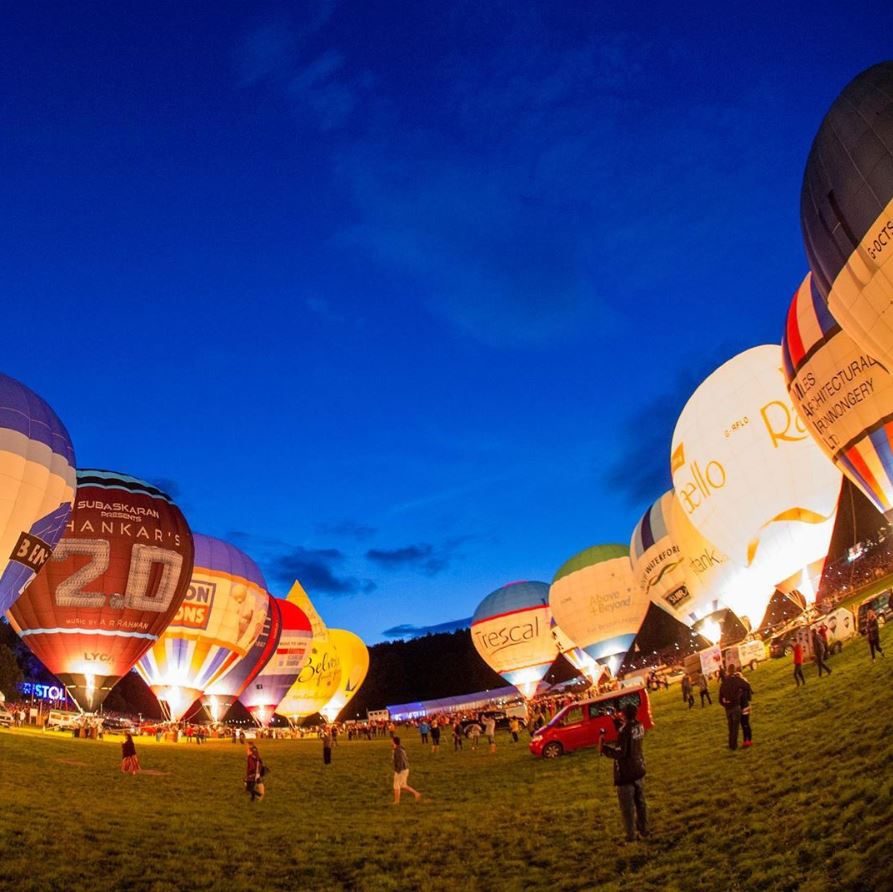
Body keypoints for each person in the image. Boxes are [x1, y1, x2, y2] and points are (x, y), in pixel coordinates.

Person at [599, 703, 647, 843]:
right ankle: (644, 830)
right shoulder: (639, 725)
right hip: (639, 768)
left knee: (627, 809)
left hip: (626, 774)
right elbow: (626, 730)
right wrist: (614, 718)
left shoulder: (624, 731)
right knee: (641, 804)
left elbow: (620, 753)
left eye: (621, 713)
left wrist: (604, 748)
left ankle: (631, 837)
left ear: (625, 715)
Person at [718, 668, 747, 750]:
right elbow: (746, 686)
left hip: (728, 709)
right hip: (735, 707)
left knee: (730, 728)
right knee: (735, 728)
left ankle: (731, 744)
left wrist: (726, 704)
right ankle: (733, 746)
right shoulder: (735, 681)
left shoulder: (723, 684)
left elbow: (720, 699)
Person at [391, 736, 421, 804]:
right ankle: (416, 794)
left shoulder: (398, 750)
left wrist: (398, 771)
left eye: (392, 741)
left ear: (394, 742)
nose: (391, 742)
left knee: (396, 785)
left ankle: (396, 801)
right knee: (403, 785)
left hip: (401, 769)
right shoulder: (398, 749)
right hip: (404, 769)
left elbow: (400, 761)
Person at [736, 670, 754, 748]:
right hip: (742, 707)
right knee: (743, 725)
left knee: (746, 724)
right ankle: (745, 740)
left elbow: (749, 698)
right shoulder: (741, 687)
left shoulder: (744, 688)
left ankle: (749, 740)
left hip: (745, 707)